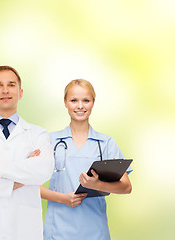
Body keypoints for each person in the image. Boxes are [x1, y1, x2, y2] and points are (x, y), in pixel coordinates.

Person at [40, 79, 133, 240]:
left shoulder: (106, 143)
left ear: (93, 103)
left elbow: (126, 187)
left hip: (95, 231)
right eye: (74, 100)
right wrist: (63, 198)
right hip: (58, 231)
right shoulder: (50, 141)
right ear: (65, 103)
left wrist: (97, 185)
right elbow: (31, 186)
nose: (80, 106)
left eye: (86, 100)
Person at [0, 65, 54, 239]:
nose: (5, 90)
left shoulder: (37, 133)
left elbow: (44, 170)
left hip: (25, 230)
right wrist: (23, 176)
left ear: (20, 93)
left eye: (11, 85)